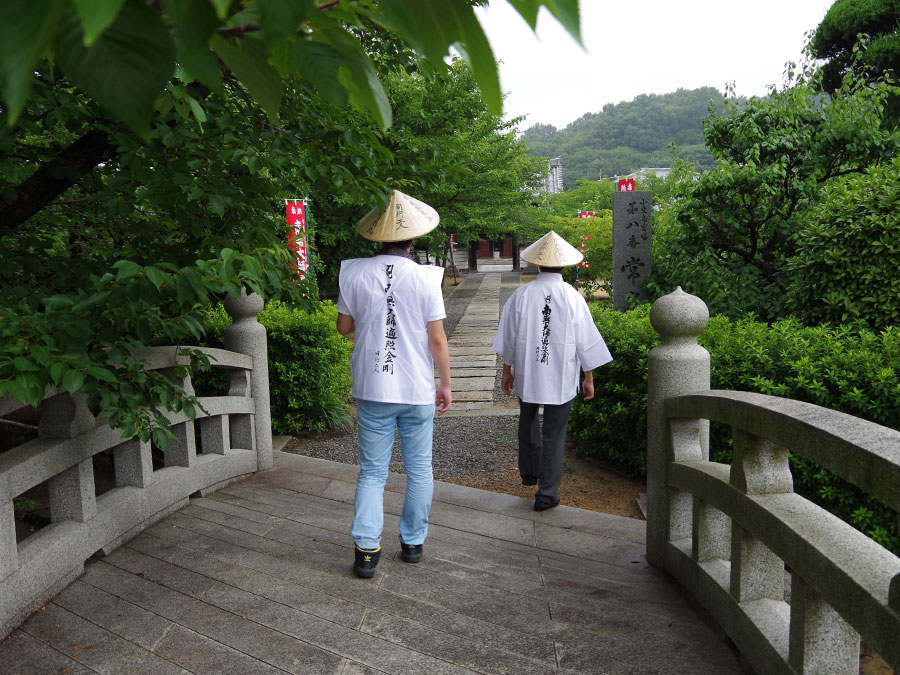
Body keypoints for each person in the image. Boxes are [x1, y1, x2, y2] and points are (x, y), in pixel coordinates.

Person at [336, 189, 452, 578]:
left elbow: (343, 328)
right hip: (417, 388)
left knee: (373, 472)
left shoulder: (352, 272)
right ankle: (413, 543)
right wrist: (446, 383)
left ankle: (367, 551)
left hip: (372, 388)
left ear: (377, 235)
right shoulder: (426, 277)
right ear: (413, 238)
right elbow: (436, 338)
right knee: (420, 470)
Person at [491, 230, 612, 511]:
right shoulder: (572, 297)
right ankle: (546, 493)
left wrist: (506, 370)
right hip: (561, 373)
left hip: (528, 371)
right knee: (555, 433)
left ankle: (529, 472)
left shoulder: (521, 295)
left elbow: (509, 337)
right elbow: (586, 341)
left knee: (528, 419)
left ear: (538, 264)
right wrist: (588, 378)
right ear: (564, 265)